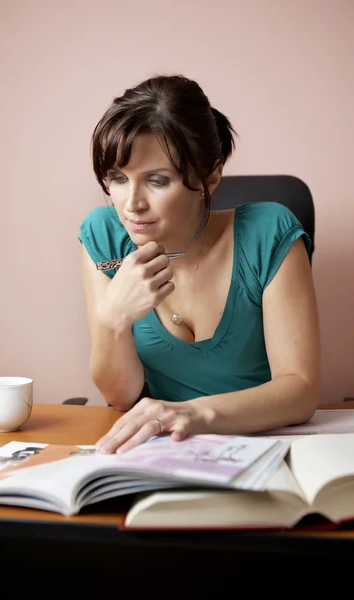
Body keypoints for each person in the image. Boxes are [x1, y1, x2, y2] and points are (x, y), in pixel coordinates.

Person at [78, 74, 321, 455]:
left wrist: (192, 414)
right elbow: (122, 397)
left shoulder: (269, 232)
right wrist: (111, 318)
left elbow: (300, 390)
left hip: (267, 448)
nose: (131, 204)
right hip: (161, 453)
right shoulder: (103, 237)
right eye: (118, 178)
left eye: (157, 181)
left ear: (211, 177)